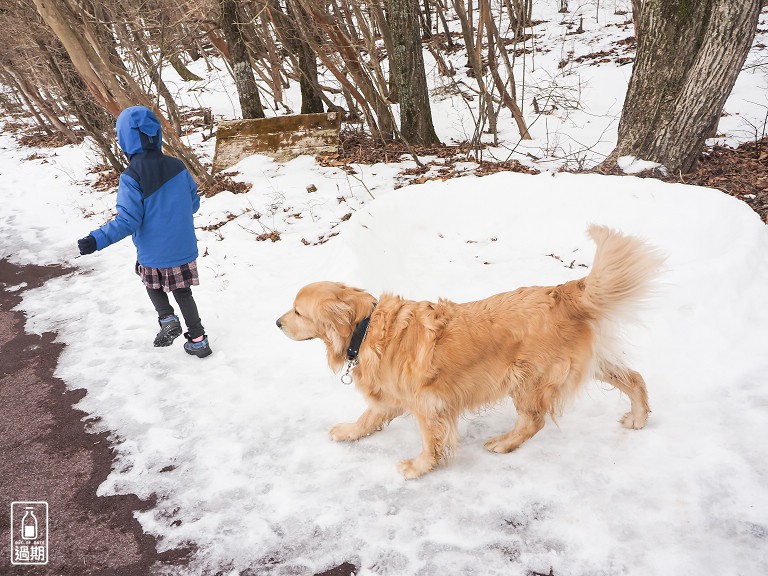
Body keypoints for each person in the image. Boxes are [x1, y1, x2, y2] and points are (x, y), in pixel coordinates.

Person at [77, 106, 212, 358]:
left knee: (151, 282)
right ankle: (199, 339)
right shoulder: (178, 166)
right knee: (183, 292)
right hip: (183, 247)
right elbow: (193, 203)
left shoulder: (132, 175)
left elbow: (128, 220)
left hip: (153, 250)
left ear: (125, 139)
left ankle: (167, 318)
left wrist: (96, 239)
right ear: (156, 134)